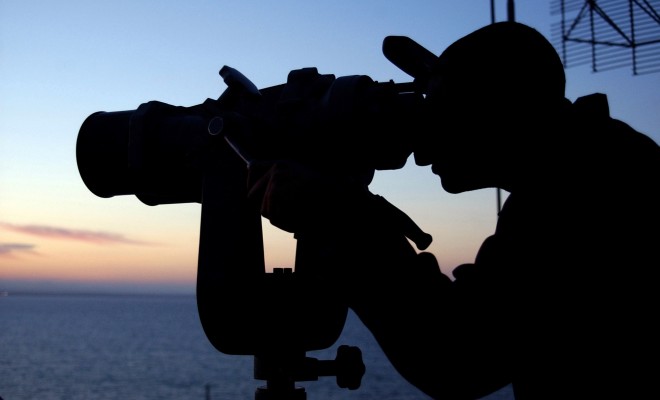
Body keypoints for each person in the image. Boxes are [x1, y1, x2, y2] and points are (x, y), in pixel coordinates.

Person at [247, 22, 660, 399]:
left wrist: (339, 222)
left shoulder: (583, 188)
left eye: (444, 107)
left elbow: (458, 357)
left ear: (500, 106)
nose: (423, 142)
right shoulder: (594, 162)